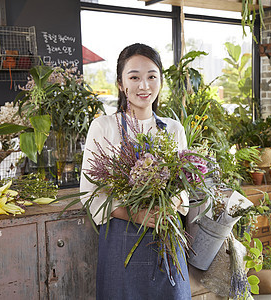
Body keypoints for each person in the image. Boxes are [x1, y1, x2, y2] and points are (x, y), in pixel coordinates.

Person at [80, 43, 191, 299]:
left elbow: (185, 186)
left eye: (152, 76)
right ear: (121, 83)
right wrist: (135, 214)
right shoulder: (103, 127)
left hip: (166, 237)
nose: (144, 86)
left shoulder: (174, 129)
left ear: (161, 80)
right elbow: (90, 193)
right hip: (122, 239)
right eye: (134, 77)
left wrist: (169, 204)